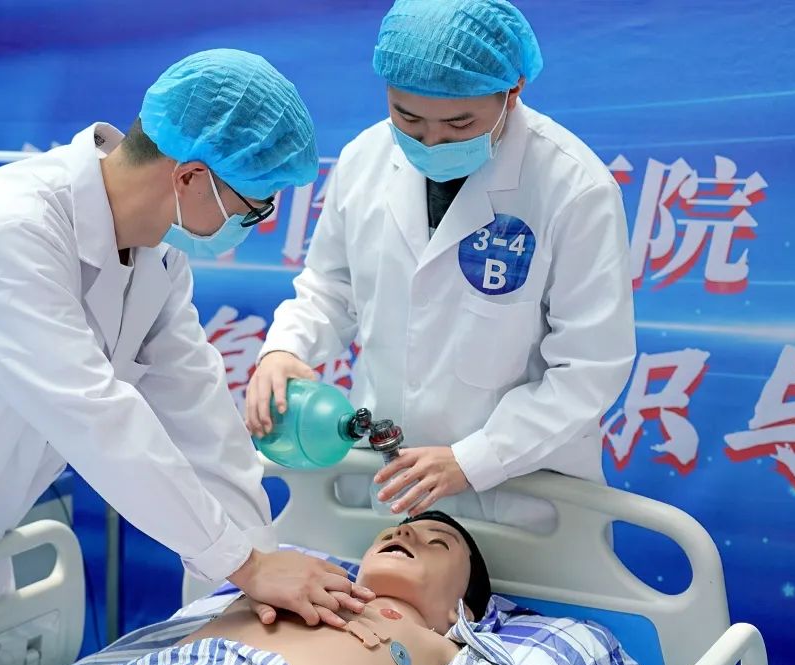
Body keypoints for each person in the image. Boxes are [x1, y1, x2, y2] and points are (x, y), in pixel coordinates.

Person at [0, 49, 374, 665]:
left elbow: (200, 413)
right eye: (251, 207)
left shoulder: (157, 256)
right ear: (189, 178)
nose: (253, 224)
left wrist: (255, 567)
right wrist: (246, 566)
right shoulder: (12, 233)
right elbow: (100, 421)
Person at [246, 0, 635, 529]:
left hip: (517, 496)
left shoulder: (574, 188)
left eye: (459, 122)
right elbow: (330, 288)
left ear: (513, 91)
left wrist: (476, 458)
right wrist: (287, 349)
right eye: (408, 118)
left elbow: (590, 367)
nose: (432, 141)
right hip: (386, 487)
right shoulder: (364, 159)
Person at [0, 511, 531, 665]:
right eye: (392, 531)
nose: (404, 530)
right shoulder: (291, 573)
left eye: (436, 542)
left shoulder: (457, 652)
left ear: (463, 610)